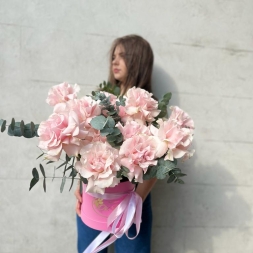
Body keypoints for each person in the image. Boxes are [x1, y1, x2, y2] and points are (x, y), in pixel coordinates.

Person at [75, 34, 157, 253]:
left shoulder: (149, 108)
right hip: (94, 197)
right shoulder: (101, 101)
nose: (114, 61)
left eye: (122, 56)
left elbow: (156, 164)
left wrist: (134, 202)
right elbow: (85, 149)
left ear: (138, 60)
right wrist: (80, 187)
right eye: (113, 56)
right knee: (88, 250)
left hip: (133, 200)